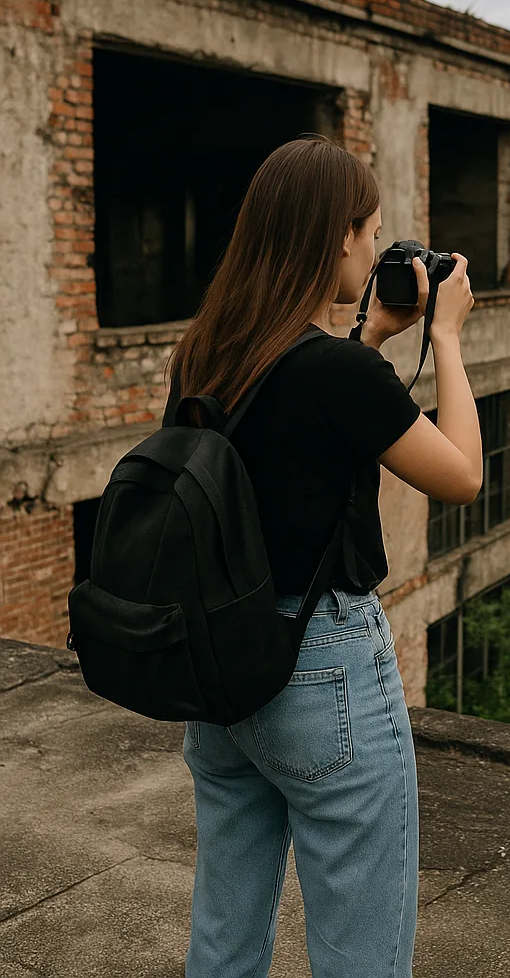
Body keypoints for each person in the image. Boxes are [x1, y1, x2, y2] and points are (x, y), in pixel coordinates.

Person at [169, 135, 481, 978]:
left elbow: (298, 438)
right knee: (360, 952)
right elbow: (460, 475)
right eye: (371, 230)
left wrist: (374, 334)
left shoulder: (207, 349)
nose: (377, 249)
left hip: (223, 662)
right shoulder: (336, 372)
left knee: (225, 934)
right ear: (337, 237)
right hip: (322, 666)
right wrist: (445, 340)